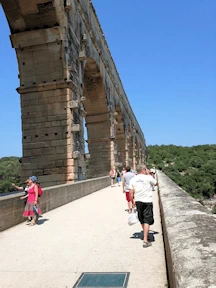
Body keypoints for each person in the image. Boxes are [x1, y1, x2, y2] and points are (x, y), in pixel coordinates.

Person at [129, 164, 157, 248]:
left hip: (138, 201)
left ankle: (145, 234)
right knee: (147, 219)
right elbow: (155, 184)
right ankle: (145, 240)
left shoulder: (133, 179)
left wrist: (132, 201)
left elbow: (131, 192)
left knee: (142, 218)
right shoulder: (148, 177)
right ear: (144, 169)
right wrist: (149, 174)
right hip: (147, 201)